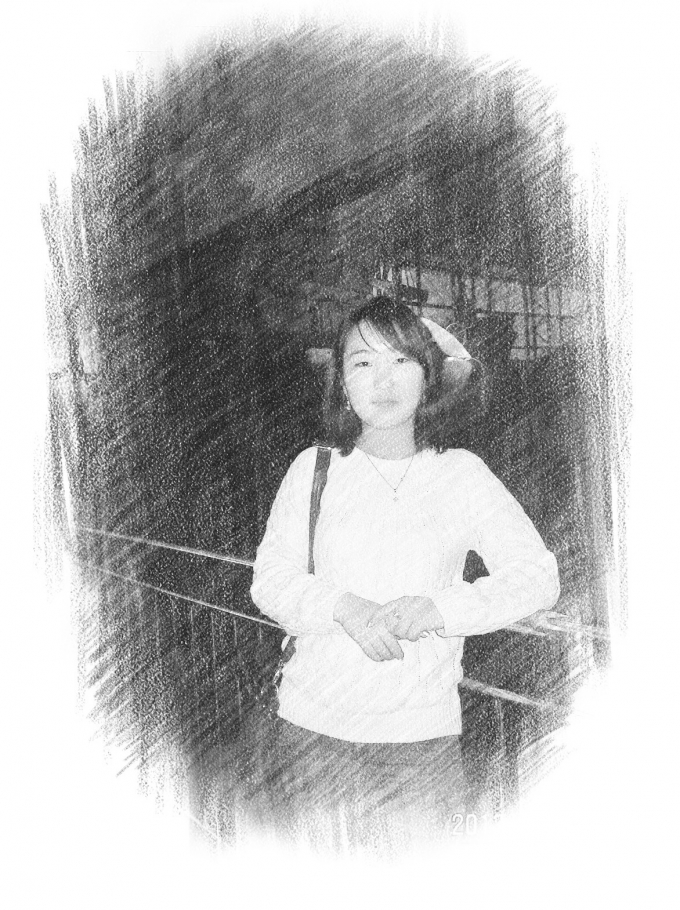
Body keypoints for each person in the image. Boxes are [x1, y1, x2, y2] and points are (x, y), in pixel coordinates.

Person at [248, 297, 560, 850]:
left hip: (420, 749)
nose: (383, 380)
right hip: (311, 738)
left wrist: (441, 608)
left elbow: (537, 576)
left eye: (401, 361)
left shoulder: (462, 475)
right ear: (343, 383)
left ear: (426, 375)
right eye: (363, 362)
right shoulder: (315, 468)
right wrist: (344, 608)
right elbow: (270, 578)